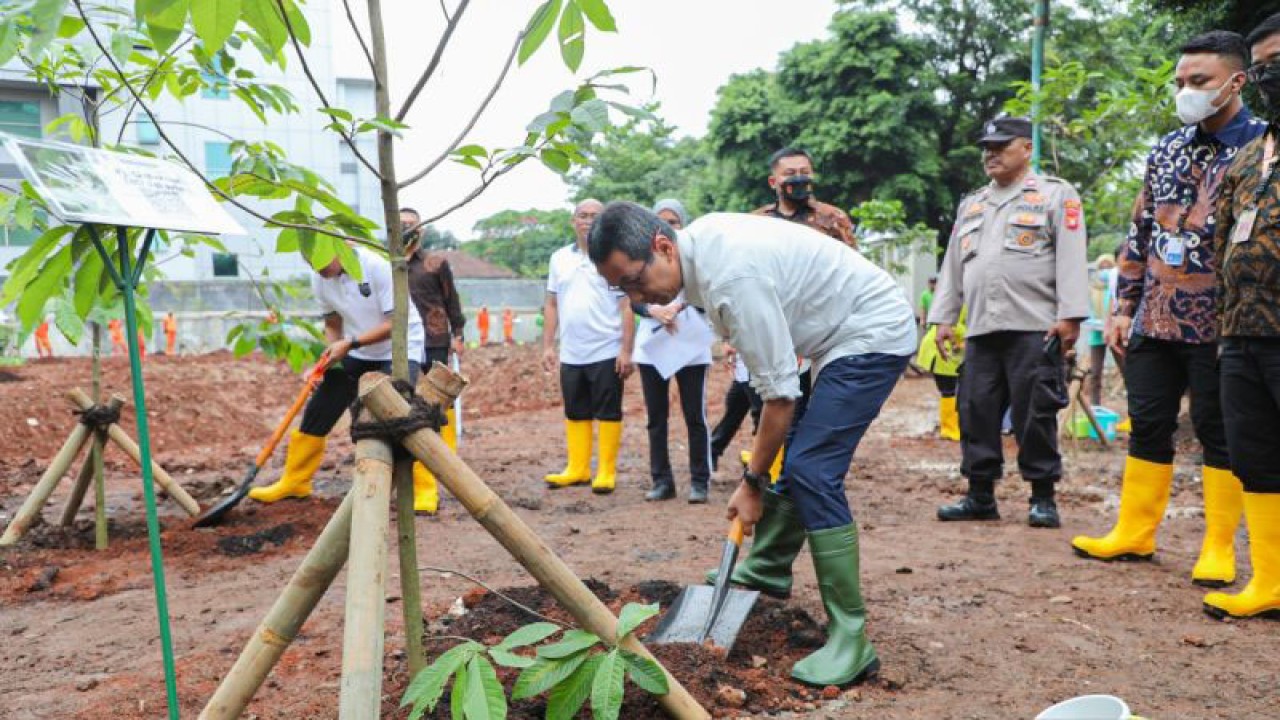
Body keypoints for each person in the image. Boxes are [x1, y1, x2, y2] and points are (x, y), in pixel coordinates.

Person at [590, 202, 916, 687]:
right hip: (830, 337)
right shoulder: (702, 251)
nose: (637, 297)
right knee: (803, 458)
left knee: (812, 469)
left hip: (870, 331)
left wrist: (751, 483)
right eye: (624, 290)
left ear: (663, 246)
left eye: (635, 281)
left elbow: (779, 399)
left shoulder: (730, 277)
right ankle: (767, 566)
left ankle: (852, 638)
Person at [1074, 33, 1264, 587]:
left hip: (1223, 320)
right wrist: (1122, 306)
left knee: (1216, 427)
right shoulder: (1167, 148)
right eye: (1181, 82)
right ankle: (1134, 531)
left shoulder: (1261, 148)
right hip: (1156, 315)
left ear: (1236, 81)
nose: (1186, 91)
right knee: (1149, 421)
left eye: (1198, 81)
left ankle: (1218, 546)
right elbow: (1139, 232)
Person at [930, 115, 1089, 529]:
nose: (991, 154)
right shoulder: (973, 204)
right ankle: (980, 494)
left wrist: (1070, 316)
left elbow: (1072, 256)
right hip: (982, 327)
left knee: (1034, 413)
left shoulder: (1055, 195)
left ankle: (1042, 497)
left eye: (1001, 146)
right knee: (975, 409)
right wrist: (944, 318)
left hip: (1035, 325)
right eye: (987, 147)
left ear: (1026, 148)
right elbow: (953, 265)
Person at [1204, 14, 1280, 620]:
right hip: (1242, 334)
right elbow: (1222, 240)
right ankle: (1269, 581)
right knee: (1254, 456)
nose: (1268, 73)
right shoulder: (1252, 154)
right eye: (1260, 66)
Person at [250, 246, 426, 506]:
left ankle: (421, 489)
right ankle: (295, 481)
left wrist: (350, 344)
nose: (317, 270)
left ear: (340, 249)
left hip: (400, 346)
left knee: (399, 415)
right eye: (310, 263)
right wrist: (328, 357)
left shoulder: (376, 267)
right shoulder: (320, 277)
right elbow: (333, 324)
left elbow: (395, 322)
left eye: (320, 262)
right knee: (321, 406)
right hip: (356, 348)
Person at [541, 199, 635, 494]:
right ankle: (578, 468)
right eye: (583, 215)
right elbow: (552, 304)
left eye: (595, 216)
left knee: (608, 411)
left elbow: (627, 306)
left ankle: (606, 470)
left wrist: (626, 350)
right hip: (572, 351)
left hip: (606, 349)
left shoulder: (614, 258)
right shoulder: (559, 259)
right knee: (575, 409)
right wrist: (547, 346)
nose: (588, 220)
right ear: (573, 221)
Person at [632, 199, 715, 504]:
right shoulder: (639, 257)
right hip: (653, 347)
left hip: (690, 343)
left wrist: (677, 307)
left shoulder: (696, 257)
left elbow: (707, 292)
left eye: (674, 220)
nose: (667, 225)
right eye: (660, 220)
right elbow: (633, 299)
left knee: (695, 416)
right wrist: (654, 310)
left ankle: (700, 481)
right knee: (656, 417)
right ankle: (662, 481)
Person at [403, 206, 467, 514]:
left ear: (421, 230)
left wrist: (459, 333)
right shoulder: (388, 265)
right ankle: (414, 460)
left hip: (435, 339)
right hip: (400, 344)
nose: (406, 229)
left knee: (439, 401)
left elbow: (451, 298)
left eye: (411, 225)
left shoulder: (435, 263)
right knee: (408, 401)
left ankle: (446, 454)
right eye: (400, 223)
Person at [753, 147, 857, 248]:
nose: (799, 179)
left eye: (805, 172)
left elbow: (852, 261)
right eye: (790, 173)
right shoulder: (758, 220)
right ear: (772, 182)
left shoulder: (833, 216)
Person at [917, 306, 966, 441]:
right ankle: (950, 430)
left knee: (950, 390)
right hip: (941, 349)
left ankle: (951, 426)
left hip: (946, 349)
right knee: (948, 390)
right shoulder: (962, 302)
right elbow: (954, 325)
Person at [1084, 254, 1117, 407]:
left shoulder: (1115, 288)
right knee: (1095, 373)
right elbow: (1087, 311)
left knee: (1126, 370)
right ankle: (1095, 406)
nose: (1105, 271)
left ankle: (1134, 411)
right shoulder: (1092, 290)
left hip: (1114, 333)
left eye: (1109, 267)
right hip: (1096, 334)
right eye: (1102, 268)